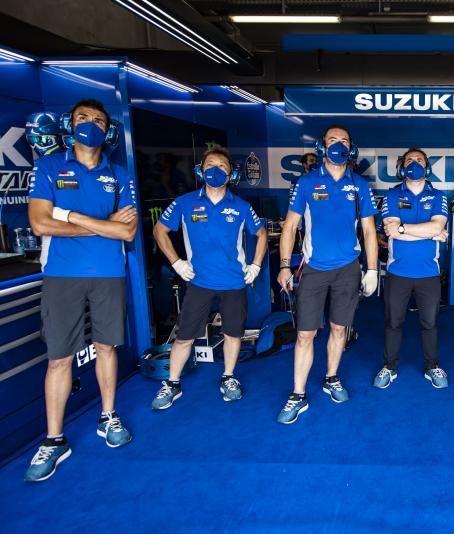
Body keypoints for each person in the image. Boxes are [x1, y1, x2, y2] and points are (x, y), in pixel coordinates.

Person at [25, 99, 138, 482]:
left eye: (99, 121)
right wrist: (102, 224)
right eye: (83, 118)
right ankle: (54, 439)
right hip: (62, 274)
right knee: (59, 358)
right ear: (69, 125)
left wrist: (69, 216)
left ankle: (108, 416)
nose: (91, 124)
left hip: (109, 273)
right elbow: (41, 224)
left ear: (109, 131)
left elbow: (127, 231)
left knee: (107, 348)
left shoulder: (118, 174)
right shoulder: (49, 167)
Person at [275, 124, 378, 424]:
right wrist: (284, 265)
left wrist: (372, 269)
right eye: (332, 140)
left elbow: (369, 231)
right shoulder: (306, 182)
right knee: (305, 334)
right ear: (322, 147)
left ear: (351, 148)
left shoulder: (359, 185)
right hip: (314, 270)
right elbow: (290, 227)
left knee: (339, 329)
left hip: (348, 269)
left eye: (344, 141)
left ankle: (332, 377)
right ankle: (298, 394)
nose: (338, 145)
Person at [150, 146, 266, 410]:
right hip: (199, 281)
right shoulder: (185, 202)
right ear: (200, 171)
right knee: (184, 336)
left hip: (233, 282)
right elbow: (159, 231)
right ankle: (172, 383)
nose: (216, 170)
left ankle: (228, 377)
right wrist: (177, 262)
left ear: (231, 173)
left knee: (233, 334)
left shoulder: (241, 207)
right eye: (210, 165)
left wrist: (256, 265)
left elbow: (260, 235)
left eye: (222, 166)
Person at [375, 148, 449, 389]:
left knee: (430, 323)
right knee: (393, 323)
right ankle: (389, 367)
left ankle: (432, 366)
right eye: (409, 160)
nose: (414, 164)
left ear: (427, 167)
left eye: (419, 160)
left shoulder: (438, 196)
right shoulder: (392, 195)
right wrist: (430, 233)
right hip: (398, 273)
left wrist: (403, 229)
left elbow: (435, 226)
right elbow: (391, 229)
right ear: (401, 167)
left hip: (429, 273)